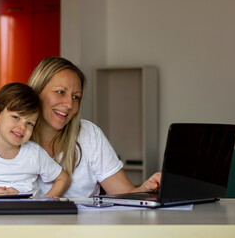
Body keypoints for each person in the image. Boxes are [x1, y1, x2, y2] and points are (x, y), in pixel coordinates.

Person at [28, 57, 161, 197]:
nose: (69, 104)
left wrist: (145, 188)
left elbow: (124, 194)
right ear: (36, 91)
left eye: (76, 97)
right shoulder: (12, 137)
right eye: (60, 92)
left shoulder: (88, 134)